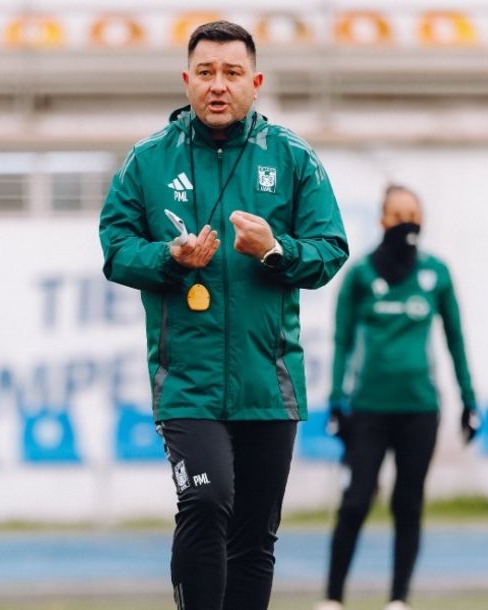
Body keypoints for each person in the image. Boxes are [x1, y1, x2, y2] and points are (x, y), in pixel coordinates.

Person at [98, 20, 349, 610]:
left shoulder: (292, 158)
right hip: (187, 380)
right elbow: (115, 247)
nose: (218, 85)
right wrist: (168, 256)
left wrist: (276, 250)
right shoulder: (147, 162)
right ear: (187, 80)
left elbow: (330, 248)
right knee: (206, 502)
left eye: (232, 73)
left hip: (269, 380)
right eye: (206, 73)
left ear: (255, 82)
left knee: (255, 538)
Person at [317, 185, 479, 610]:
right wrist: (337, 400)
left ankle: (398, 599)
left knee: (407, 503)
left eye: (414, 214)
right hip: (369, 408)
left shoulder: (436, 273)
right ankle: (333, 598)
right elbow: (342, 340)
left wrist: (469, 400)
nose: (407, 222)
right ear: (382, 220)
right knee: (355, 501)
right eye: (398, 214)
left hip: (420, 408)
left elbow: (455, 338)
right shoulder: (360, 275)